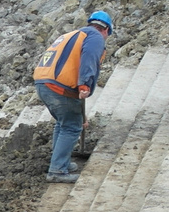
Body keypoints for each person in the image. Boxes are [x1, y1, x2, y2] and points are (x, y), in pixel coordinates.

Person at [33, 10, 114, 183]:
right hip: (59, 86)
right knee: (71, 126)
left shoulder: (73, 34)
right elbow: (89, 58)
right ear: (106, 30)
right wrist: (85, 83)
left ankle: (61, 161)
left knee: (64, 123)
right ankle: (57, 170)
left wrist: (80, 115)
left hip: (43, 83)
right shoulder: (95, 37)